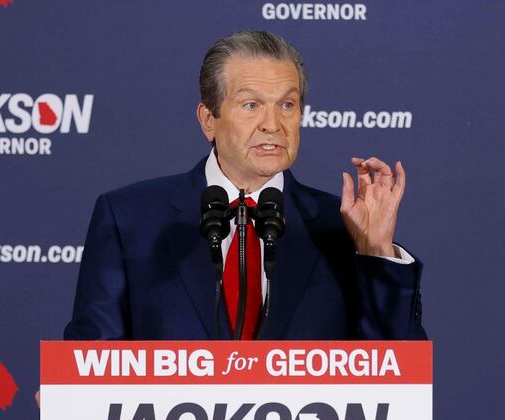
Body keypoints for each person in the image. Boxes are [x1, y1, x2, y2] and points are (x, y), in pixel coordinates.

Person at [64, 30, 427, 341]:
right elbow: (94, 359)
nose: (272, 123)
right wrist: (71, 397)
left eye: (287, 104)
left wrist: (376, 252)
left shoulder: (343, 230)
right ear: (209, 119)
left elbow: (399, 378)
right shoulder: (129, 219)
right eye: (251, 105)